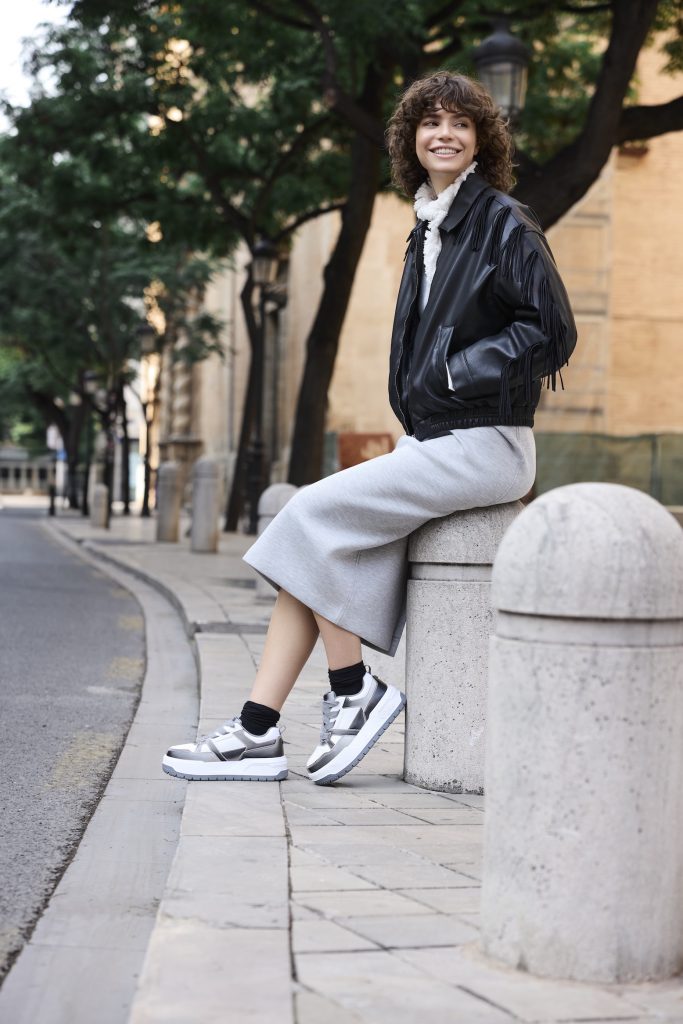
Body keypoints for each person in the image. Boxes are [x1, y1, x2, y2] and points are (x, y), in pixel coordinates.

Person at [162, 70, 577, 786]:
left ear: (481, 140)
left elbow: (552, 331)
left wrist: (456, 373)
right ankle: (257, 730)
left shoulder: (503, 221)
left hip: (486, 441)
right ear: (410, 139)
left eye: (460, 124)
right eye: (430, 123)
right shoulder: (430, 226)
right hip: (438, 442)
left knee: (306, 513)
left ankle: (353, 692)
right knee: (304, 558)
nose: (443, 134)